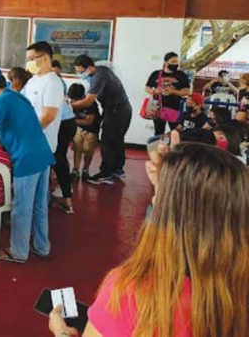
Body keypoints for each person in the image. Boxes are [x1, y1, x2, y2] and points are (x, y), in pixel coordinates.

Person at [48, 143, 249, 337]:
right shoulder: (234, 288)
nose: (153, 199)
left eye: (160, 195)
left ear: (172, 211)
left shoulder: (134, 292)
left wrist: (62, 332)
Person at [0, 67, 54, 264]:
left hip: (27, 159)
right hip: (43, 154)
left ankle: (19, 252)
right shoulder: (16, 96)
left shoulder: (2, 100)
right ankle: (42, 246)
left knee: (22, 207)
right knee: (39, 206)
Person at [71, 55, 132, 185]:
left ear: (89, 68)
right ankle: (117, 168)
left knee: (108, 141)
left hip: (116, 110)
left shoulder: (99, 77)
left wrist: (67, 106)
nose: (80, 75)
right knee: (117, 139)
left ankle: (106, 173)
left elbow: (88, 101)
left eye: (81, 72)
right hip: (120, 109)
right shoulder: (102, 70)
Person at [23, 42, 69, 210]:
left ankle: (36, 234)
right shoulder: (33, 81)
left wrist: (27, 134)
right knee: (36, 197)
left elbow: (48, 116)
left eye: (31, 59)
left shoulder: (53, 82)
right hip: (31, 143)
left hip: (41, 144)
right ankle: (37, 234)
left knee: (35, 199)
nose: (28, 63)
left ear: (44, 58)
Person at [51, 59, 76, 213]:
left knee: (58, 159)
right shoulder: (55, 81)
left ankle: (67, 200)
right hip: (66, 121)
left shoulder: (53, 82)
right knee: (58, 159)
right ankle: (64, 197)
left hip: (62, 123)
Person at [144, 52, 190, 135]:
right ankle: (158, 147)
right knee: (158, 131)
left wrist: (173, 91)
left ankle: (173, 147)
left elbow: (187, 92)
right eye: (173, 62)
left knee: (175, 132)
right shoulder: (156, 74)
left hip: (174, 107)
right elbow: (147, 88)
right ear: (165, 62)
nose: (175, 64)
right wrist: (155, 91)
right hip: (157, 107)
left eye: (177, 62)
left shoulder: (181, 75)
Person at [68, 84, 100, 181]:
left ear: (82, 96)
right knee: (77, 148)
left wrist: (72, 120)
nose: (73, 102)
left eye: (75, 99)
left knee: (88, 151)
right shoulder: (71, 101)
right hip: (78, 128)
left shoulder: (91, 104)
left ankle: (86, 169)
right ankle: (75, 170)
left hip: (91, 130)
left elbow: (89, 121)